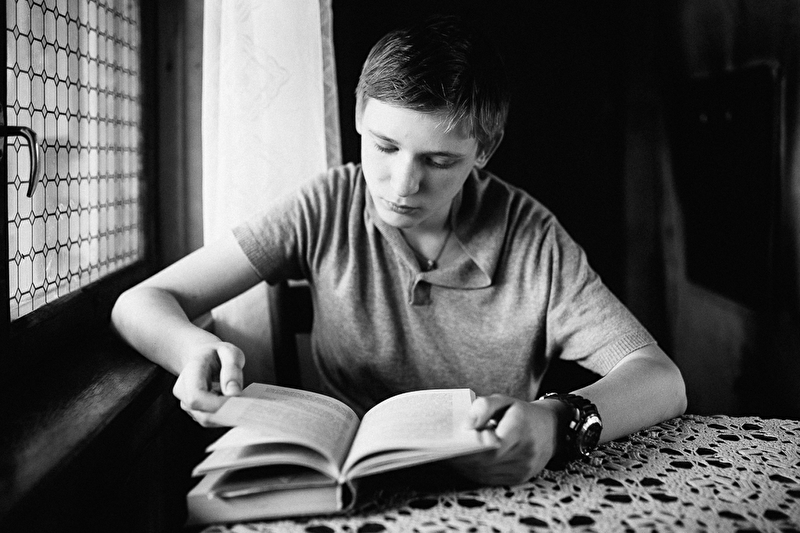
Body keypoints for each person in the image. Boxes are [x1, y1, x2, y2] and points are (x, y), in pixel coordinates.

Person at [111, 15, 686, 486]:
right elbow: (140, 301)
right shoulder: (326, 205)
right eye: (385, 146)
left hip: (490, 486)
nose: (403, 185)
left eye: (439, 161)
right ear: (359, 116)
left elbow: (662, 379)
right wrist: (193, 349)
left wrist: (556, 421)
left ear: (484, 151)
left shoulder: (532, 239)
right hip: (348, 484)